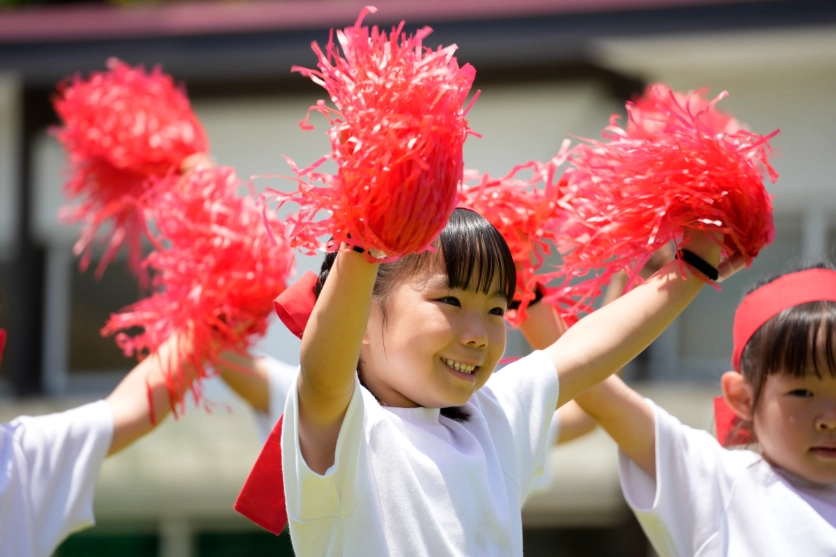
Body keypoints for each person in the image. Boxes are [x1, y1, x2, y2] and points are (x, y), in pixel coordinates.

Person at [274, 206, 733, 556]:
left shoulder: (490, 418)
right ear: (361, 320)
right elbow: (324, 367)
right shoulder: (342, 426)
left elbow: (589, 348)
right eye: (450, 300)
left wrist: (692, 265)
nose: (478, 336)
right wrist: (368, 230)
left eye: (496, 310)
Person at [574, 262, 836, 556]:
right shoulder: (716, 484)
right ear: (743, 398)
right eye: (802, 392)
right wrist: (532, 302)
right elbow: (591, 384)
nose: (830, 420)